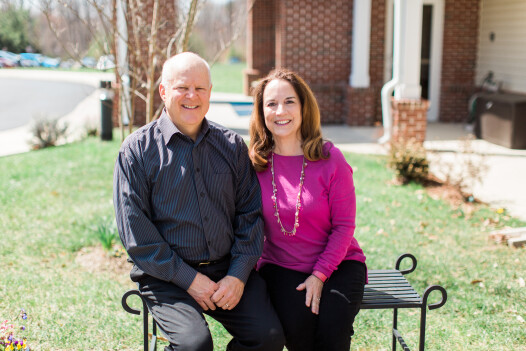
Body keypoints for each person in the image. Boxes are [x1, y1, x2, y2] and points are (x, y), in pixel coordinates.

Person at [113, 52, 284, 351]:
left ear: (209, 92)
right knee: (194, 346)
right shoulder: (137, 151)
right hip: (166, 277)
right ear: (164, 91)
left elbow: (249, 215)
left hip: (227, 269)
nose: (192, 96)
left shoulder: (231, 146)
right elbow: (137, 234)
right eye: (182, 87)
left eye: (200, 88)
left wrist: (238, 274)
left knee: (268, 337)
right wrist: (189, 279)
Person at [248, 68, 367, 351]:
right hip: (281, 267)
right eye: (271, 103)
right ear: (261, 111)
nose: (281, 111)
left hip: (339, 264)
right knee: (299, 335)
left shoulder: (330, 159)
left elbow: (344, 226)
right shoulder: (254, 164)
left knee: (332, 334)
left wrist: (319, 275)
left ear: (303, 107)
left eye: (289, 101)